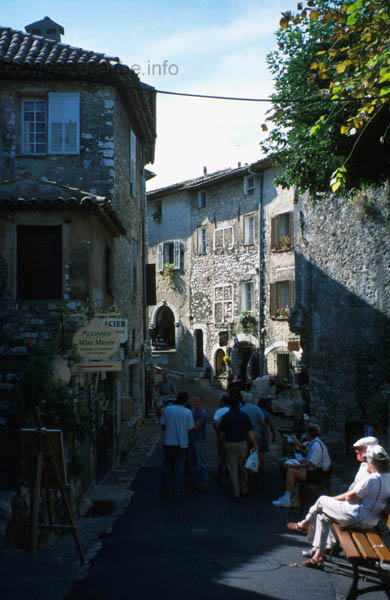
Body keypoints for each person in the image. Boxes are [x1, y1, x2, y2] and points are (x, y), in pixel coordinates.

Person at [287, 445, 390, 569]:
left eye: (368, 459)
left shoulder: (372, 479)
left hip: (355, 517)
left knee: (322, 500)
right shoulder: (388, 478)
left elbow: (349, 497)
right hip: (370, 521)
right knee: (322, 517)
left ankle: (304, 524)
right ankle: (318, 556)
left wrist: (335, 499)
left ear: (373, 462)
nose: (367, 462)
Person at [273, 423, 331, 508]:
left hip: (319, 475)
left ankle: (286, 499)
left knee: (292, 471)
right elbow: (309, 458)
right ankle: (290, 496)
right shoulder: (315, 443)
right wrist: (297, 462)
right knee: (291, 466)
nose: (305, 435)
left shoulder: (316, 445)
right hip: (317, 472)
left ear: (310, 434)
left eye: (306, 433)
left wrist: (298, 466)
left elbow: (311, 463)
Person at [219, 387, 259, 499]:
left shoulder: (226, 416)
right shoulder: (243, 415)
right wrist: (255, 444)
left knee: (232, 468)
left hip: (230, 443)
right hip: (242, 444)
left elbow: (221, 433)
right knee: (243, 467)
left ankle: (236, 491)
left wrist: (221, 443)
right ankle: (244, 489)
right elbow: (250, 431)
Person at [160, 391, 194, 496]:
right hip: (182, 443)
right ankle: (178, 488)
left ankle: (165, 487)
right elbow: (190, 429)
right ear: (186, 401)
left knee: (167, 465)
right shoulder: (188, 412)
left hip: (169, 441)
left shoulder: (168, 410)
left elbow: (163, 425)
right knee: (180, 466)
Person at [241, 393, 266, 482]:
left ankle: (246, 476)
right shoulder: (257, 409)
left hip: (245, 435)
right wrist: (263, 433)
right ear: (252, 400)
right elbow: (263, 423)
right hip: (257, 434)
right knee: (257, 455)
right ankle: (256, 474)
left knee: (246, 455)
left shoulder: (242, 409)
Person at [188, 395, 208, 491]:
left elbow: (197, 427)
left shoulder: (202, 413)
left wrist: (187, 427)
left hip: (199, 440)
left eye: (197, 401)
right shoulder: (192, 412)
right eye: (194, 401)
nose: (195, 403)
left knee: (201, 462)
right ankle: (194, 480)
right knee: (192, 461)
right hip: (191, 439)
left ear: (201, 402)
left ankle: (204, 482)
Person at [212, 395, 230, 482]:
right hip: (231, 436)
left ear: (222, 402)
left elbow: (214, 422)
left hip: (221, 436)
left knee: (222, 456)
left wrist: (218, 431)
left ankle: (219, 474)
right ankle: (228, 470)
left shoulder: (219, 411)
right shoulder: (230, 410)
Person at [258, 397, 276, 477]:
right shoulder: (266, 414)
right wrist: (274, 435)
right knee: (261, 454)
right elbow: (271, 426)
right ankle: (260, 470)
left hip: (255, 433)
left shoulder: (256, 411)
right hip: (263, 434)